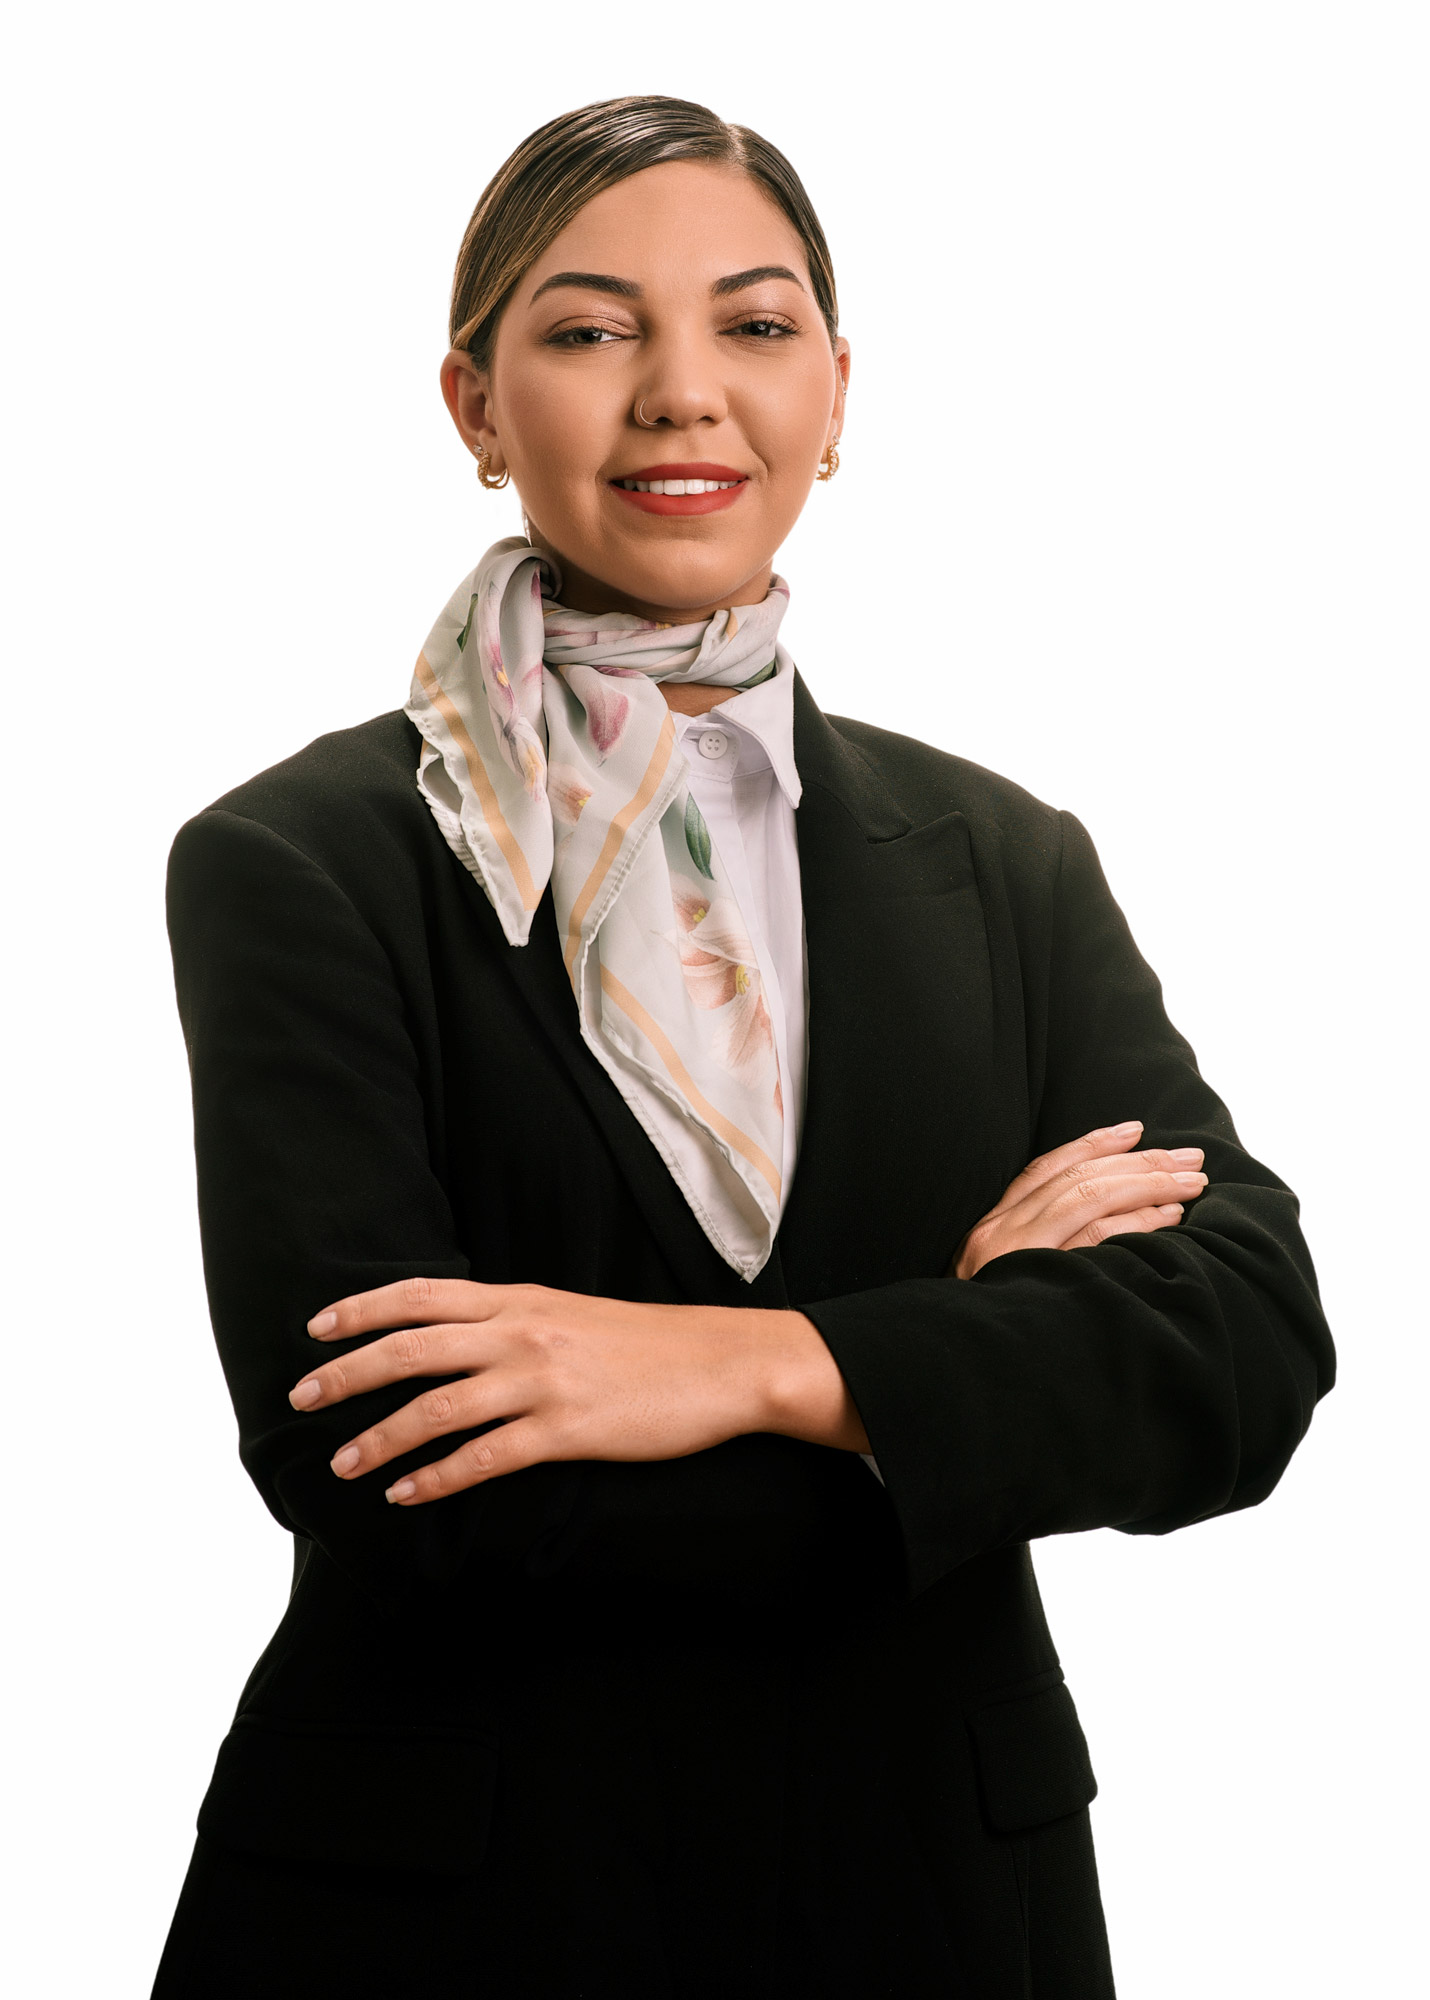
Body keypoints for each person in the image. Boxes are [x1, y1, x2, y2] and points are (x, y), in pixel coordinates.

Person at [150, 95, 1334, 1999]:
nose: (682, 393)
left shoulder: (1003, 859)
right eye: (589, 328)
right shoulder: (302, 863)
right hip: (455, 1917)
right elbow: (383, 1459)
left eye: (755, 325)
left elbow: (1241, 1350)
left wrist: (755, 1365)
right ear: (473, 405)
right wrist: (964, 1380)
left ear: (835, 395)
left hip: (937, 1903)